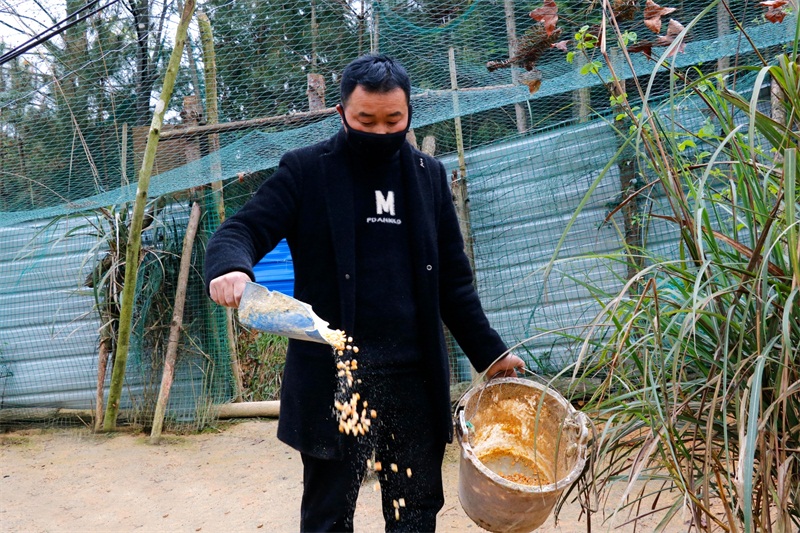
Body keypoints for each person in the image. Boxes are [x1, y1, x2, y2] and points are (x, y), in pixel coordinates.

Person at [205, 54, 524, 532]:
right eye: (365, 120)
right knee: (329, 515)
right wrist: (230, 268)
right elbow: (241, 229)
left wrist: (491, 354)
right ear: (340, 114)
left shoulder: (428, 177)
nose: (380, 131)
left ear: (410, 114)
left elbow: (453, 284)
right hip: (336, 377)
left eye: (393, 120)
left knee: (415, 511)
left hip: (413, 376)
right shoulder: (306, 171)